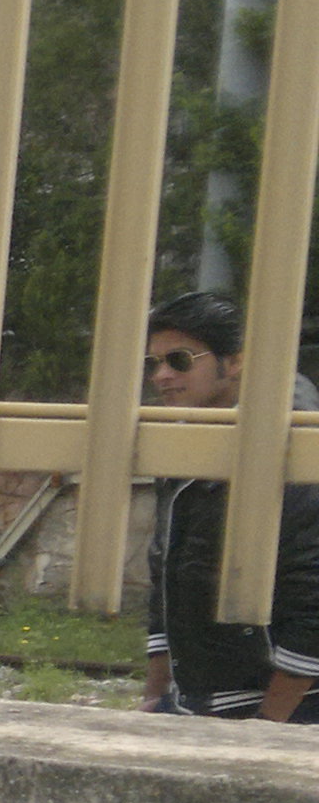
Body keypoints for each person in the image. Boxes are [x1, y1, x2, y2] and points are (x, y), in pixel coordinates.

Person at [134, 288, 319, 723]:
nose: (161, 375)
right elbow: (168, 575)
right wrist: (154, 699)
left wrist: (266, 729)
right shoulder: (186, 436)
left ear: (234, 361)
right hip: (194, 702)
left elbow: (311, 597)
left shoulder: (293, 449)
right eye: (153, 363)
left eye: (178, 359)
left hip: (286, 711)